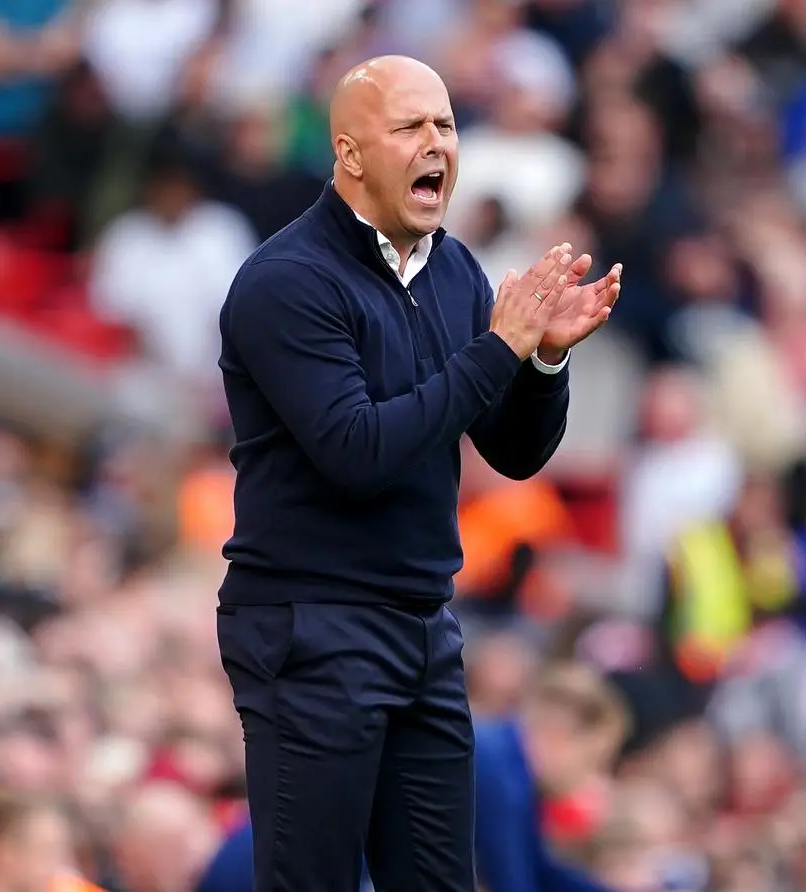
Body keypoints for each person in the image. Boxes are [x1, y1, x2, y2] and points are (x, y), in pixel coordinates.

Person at [215, 54, 621, 892]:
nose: (436, 142)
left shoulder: (454, 270)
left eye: (445, 124)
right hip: (312, 622)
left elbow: (513, 451)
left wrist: (542, 362)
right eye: (410, 127)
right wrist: (499, 347)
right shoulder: (286, 281)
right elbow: (358, 452)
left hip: (425, 625)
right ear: (350, 153)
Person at [473, 663, 630, 892]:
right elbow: (511, 883)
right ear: (559, 738)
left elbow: (539, 867)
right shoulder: (500, 775)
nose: (596, 780)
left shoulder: (508, 763)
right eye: (596, 762)